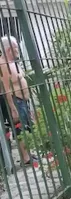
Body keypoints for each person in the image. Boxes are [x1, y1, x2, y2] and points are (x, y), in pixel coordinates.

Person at [0, 35, 35, 165]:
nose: (18, 50)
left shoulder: (13, 62)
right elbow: (6, 88)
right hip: (15, 100)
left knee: (26, 127)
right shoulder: (3, 64)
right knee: (20, 129)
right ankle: (25, 158)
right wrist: (12, 108)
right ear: (9, 49)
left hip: (23, 99)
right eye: (16, 47)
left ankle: (28, 154)